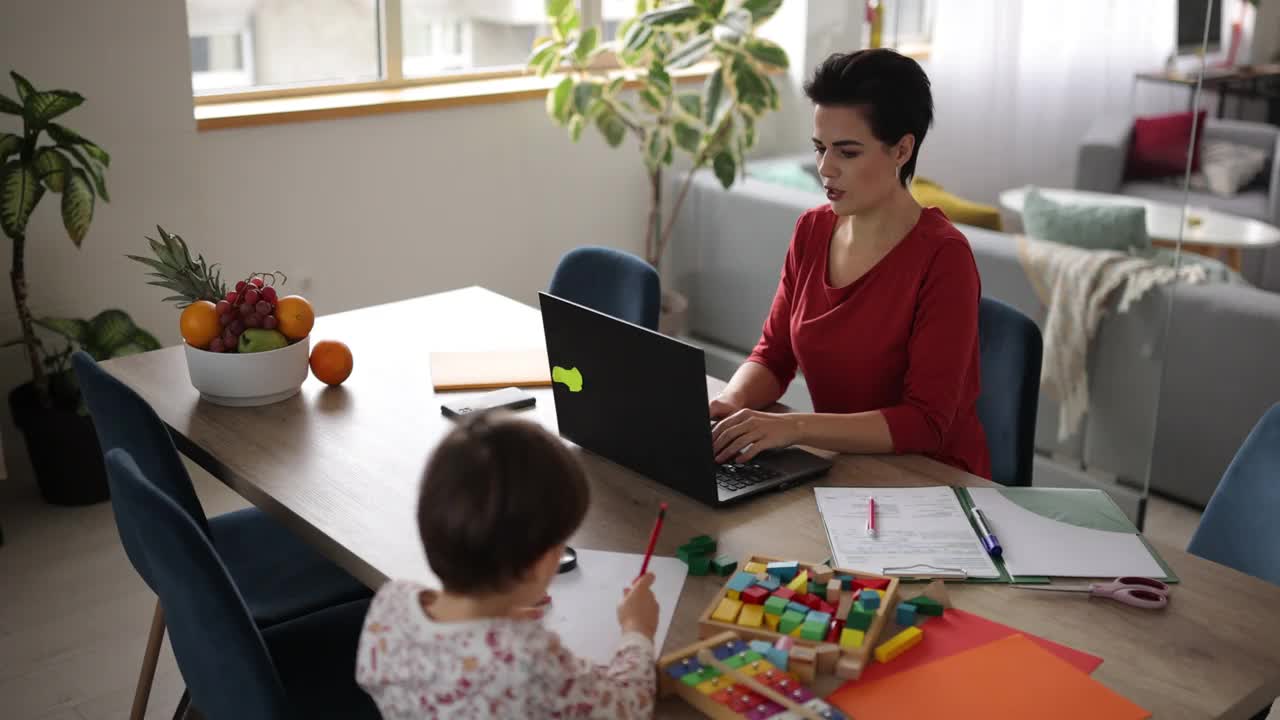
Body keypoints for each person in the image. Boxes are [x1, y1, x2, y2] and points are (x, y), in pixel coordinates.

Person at [710, 49, 990, 478]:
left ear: (902, 150)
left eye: (848, 152)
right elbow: (775, 354)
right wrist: (728, 406)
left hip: (931, 484)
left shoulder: (944, 258)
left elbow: (926, 422)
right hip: (846, 469)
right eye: (820, 148)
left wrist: (793, 427)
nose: (825, 168)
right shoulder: (812, 230)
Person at [356, 414, 659, 718]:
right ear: (540, 565)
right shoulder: (527, 660)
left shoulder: (389, 607)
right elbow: (627, 708)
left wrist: (497, 621)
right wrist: (637, 630)